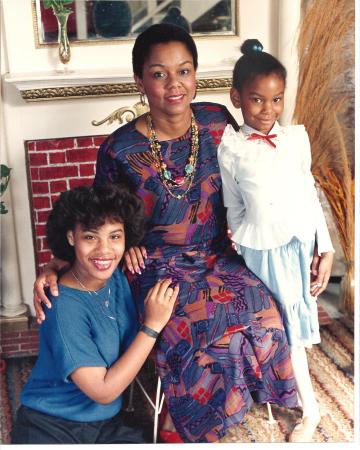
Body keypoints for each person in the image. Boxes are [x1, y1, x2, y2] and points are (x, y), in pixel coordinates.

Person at [33, 24, 299, 443]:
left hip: (217, 255)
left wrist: (309, 238)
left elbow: (265, 180)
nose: (174, 84)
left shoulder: (218, 122)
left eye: (184, 71)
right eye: (159, 74)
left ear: (195, 74)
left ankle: (238, 402)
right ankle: (180, 422)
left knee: (265, 312)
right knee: (203, 329)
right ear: (139, 81)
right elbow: (96, 220)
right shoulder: (120, 148)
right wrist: (58, 263)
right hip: (155, 265)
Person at [217, 39, 335, 442]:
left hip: (296, 245)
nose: (267, 111)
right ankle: (273, 393)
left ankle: (312, 410)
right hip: (257, 249)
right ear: (236, 98)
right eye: (256, 101)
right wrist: (241, 245)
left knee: (294, 329)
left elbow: (310, 194)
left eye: (276, 100)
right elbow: (234, 207)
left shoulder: (295, 140)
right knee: (272, 329)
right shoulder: (231, 148)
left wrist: (327, 248)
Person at [12, 183, 178, 444]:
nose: (104, 250)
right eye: (90, 237)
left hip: (106, 422)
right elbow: (102, 391)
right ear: (71, 237)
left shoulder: (115, 274)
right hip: (52, 426)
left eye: (115, 236)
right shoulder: (61, 306)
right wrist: (151, 326)